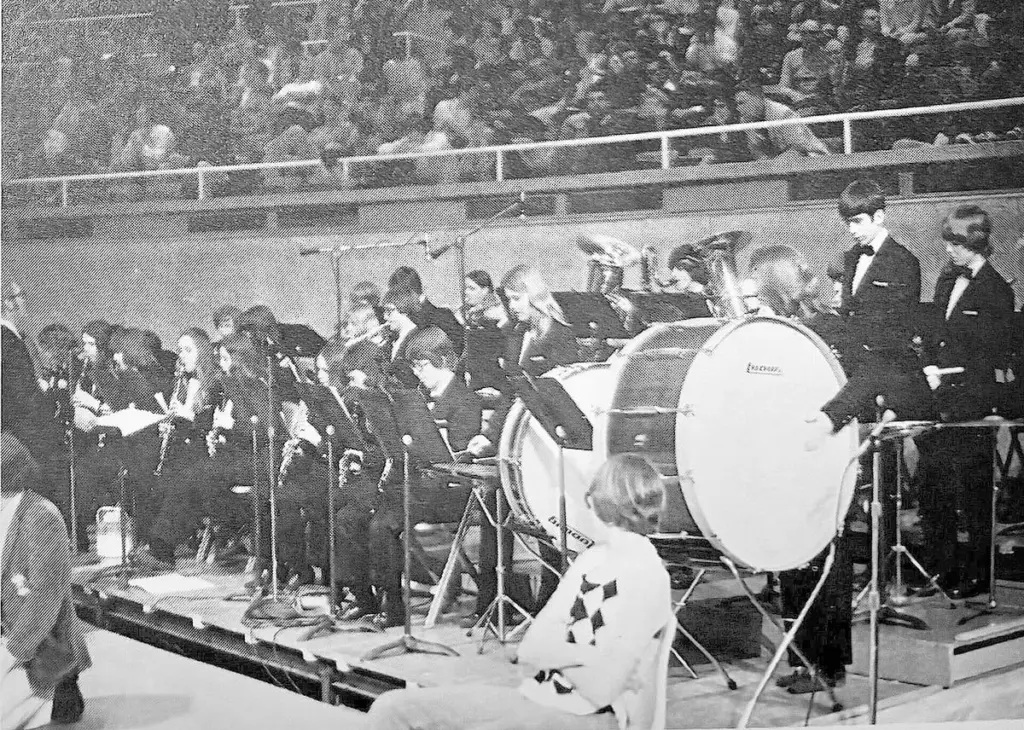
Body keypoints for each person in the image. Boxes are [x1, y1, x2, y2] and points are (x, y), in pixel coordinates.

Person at [365, 453, 672, 730]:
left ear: (597, 502)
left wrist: (558, 653)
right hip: (543, 699)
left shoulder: (646, 576)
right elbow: (531, 650)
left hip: (589, 717)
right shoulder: (592, 560)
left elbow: (598, 688)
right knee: (391, 709)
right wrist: (583, 658)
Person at [747, 244, 930, 694]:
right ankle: (804, 658)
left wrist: (830, 414)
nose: (750, 295)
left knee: (829, 560)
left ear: (775, 284)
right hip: (790, 453)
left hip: (832, 452)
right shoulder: (769, 329)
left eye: (757, 285)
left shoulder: (830, 327)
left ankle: (829, 665)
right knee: (794, 557)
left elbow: (871, 376)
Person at [916, 205, 1016, 598]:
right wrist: (929, 366)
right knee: (932, 489)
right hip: (939, 399)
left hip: (972, 404)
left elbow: (991, 353)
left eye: (955, 243)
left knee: (973, 494)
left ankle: (977, 575)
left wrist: (952, 372)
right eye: (947, 241)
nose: (948, 250)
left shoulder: (996, 290)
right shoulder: (945, 279)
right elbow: (935, 330)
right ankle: (942, 571)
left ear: (976, 242)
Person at [835, 178, 923, 592]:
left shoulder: (904, 261)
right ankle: (860, 560)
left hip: (886, 376)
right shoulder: (852, 258)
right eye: (847, 222)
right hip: (857, 376)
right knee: (858, 479)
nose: (852, 229)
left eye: (858, 221)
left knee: (884, 482)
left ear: (880, 217)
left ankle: (884, 571)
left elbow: (898, 328)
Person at [366, 327, 482, 628]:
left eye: (423, 365)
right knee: (375, 519)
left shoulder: (465, 399)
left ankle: (394, 604)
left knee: (384, 523)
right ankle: (390, 601)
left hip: (452, 492)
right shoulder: (416, 399)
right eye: (414, 366)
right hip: (421, 488)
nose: (418, 374)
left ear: (443, 359)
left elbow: (458, 455)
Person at [2, 432, 91, 729]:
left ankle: (64, 684)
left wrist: (9, 654)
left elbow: (45, 598)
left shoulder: (41, 517)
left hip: (40, 645)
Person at [734, 81, 830, 160]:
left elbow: (798, 150)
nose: (738, 108)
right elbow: (756, 150)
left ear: (759, 98)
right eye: (737, 104)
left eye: (742, 103)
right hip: (780, 166)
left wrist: (772, 168)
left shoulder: (783, 114)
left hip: (815, 160)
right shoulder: (746, 120)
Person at [387, 266, 464, 354]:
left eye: (396, 295)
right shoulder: (444, 314)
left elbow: (462, 354)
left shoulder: (440, 318)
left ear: (410, 293)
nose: (393, 301)